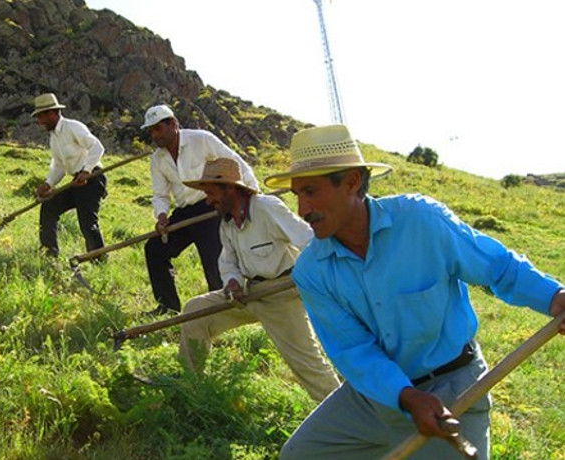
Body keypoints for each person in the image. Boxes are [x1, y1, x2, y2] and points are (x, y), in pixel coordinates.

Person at [263, 124, 565, 459]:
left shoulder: (421, 221)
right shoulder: (312, 271)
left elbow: (499, 268)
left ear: (350, 182)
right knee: (301, 455)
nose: (303, 210)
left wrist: (555, 298)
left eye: (311, 192)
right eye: (298, 196)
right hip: (376, 395)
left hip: (454, 389)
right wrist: (406, 397)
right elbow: (354, 350)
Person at [178, 158, 340, 401]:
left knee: (307, 364)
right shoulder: (227, 223)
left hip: (282, 294)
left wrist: (313, 275)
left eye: (211, 193)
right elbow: (228, 261)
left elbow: (308, 240)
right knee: (196, 311)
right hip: (248, 292)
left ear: (230, 188)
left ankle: (346, 413)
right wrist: (232, 282)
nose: (208, 200)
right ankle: (189, 388)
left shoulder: (267, 208)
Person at [141, 104, 261, 315]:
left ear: (173, 124)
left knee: (214, 259)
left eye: (158, 128)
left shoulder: (202, 140)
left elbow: (236, 163)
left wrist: (253, 194)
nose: (154, 134)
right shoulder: (157, 159)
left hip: (210, 208)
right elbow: (160, 194)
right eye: (151, 130)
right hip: (184, 212)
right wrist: (161, 217)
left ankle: (223, 309)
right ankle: (167, 306)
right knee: (155, 249)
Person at [32, 93, 106, 257]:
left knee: (87, 223)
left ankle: (99, 259)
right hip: (76, 181)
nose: (40, 121)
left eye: (41, 116)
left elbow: (97, 147)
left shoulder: (73, 127)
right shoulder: (54, 138)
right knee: (49, 206)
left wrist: (86, 171)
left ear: (52, 113)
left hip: (92, 178)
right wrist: (48, 184)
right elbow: (59, 166)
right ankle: (49, 253)